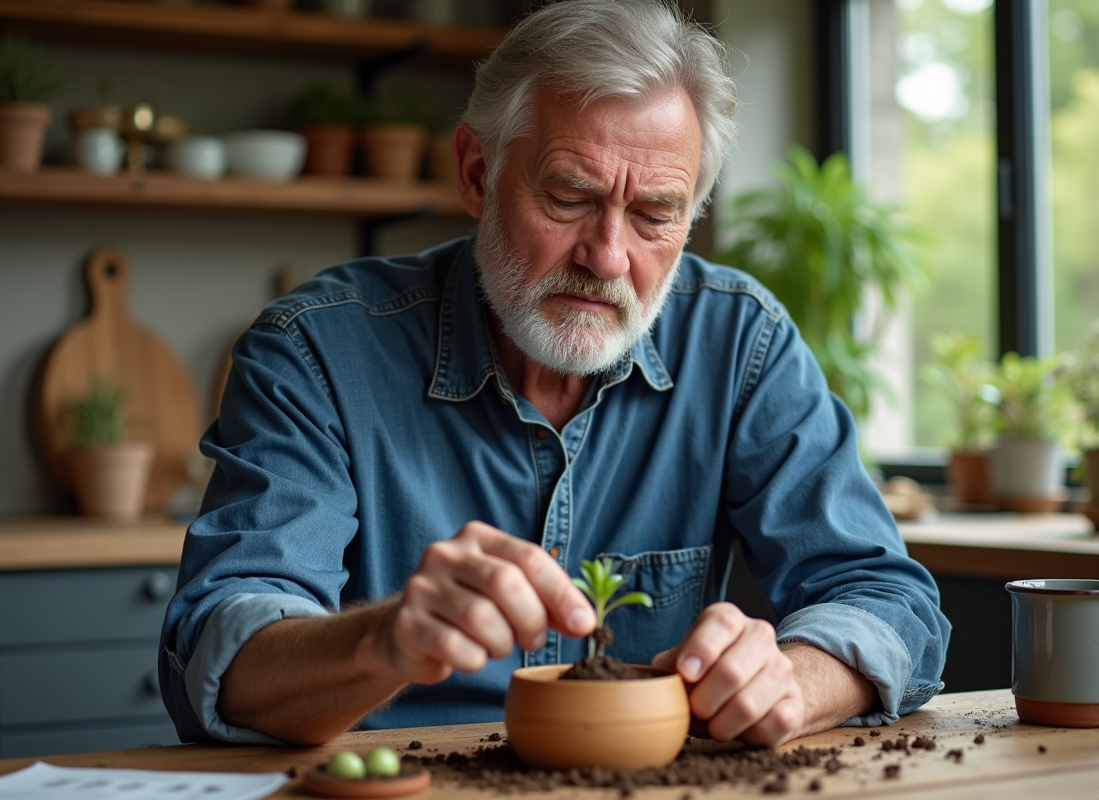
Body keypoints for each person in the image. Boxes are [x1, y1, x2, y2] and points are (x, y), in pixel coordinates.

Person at [159, 0, 951, 750]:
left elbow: (891, 601)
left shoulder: (740, 344)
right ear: (476, 173)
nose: (607, 257)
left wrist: (793, 682)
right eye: (569, 196)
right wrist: (386, 636)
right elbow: (220, 654)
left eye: (655, 215)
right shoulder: (316, 353)